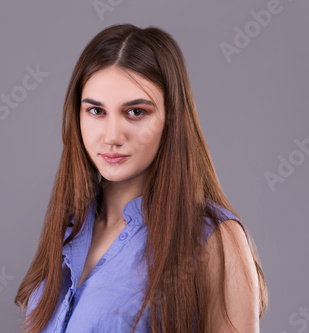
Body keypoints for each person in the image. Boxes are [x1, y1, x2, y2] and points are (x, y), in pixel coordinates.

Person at [14, 23, 268, 333]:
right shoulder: (70, 230)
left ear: (171, 119)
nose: (112, 136)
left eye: (135, 112)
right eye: (96, 111)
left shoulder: (213, 238)